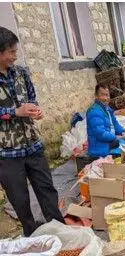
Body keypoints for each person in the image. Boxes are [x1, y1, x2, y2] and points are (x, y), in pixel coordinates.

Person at [0, 27, 64, 236]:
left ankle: (61, 232)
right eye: (11, 51)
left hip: (32, 146)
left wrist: (35, 111)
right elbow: (15, 110)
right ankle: (32, 236)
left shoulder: (21, 73)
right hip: (8, 153)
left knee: (47, 191)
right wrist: (14, 112)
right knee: (20, 200)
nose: (15, 55)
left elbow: (32, 97)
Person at [85, 84, 125, 159]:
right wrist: (116, 137)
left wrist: (122, 132)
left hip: (109, 139)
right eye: (102, 95)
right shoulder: (94, 112)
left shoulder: (107, 109)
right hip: (100, 146)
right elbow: (101, 134)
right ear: (96, 96)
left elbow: (115, 124)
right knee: (121, 141)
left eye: (107, 95)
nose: (106, 98)